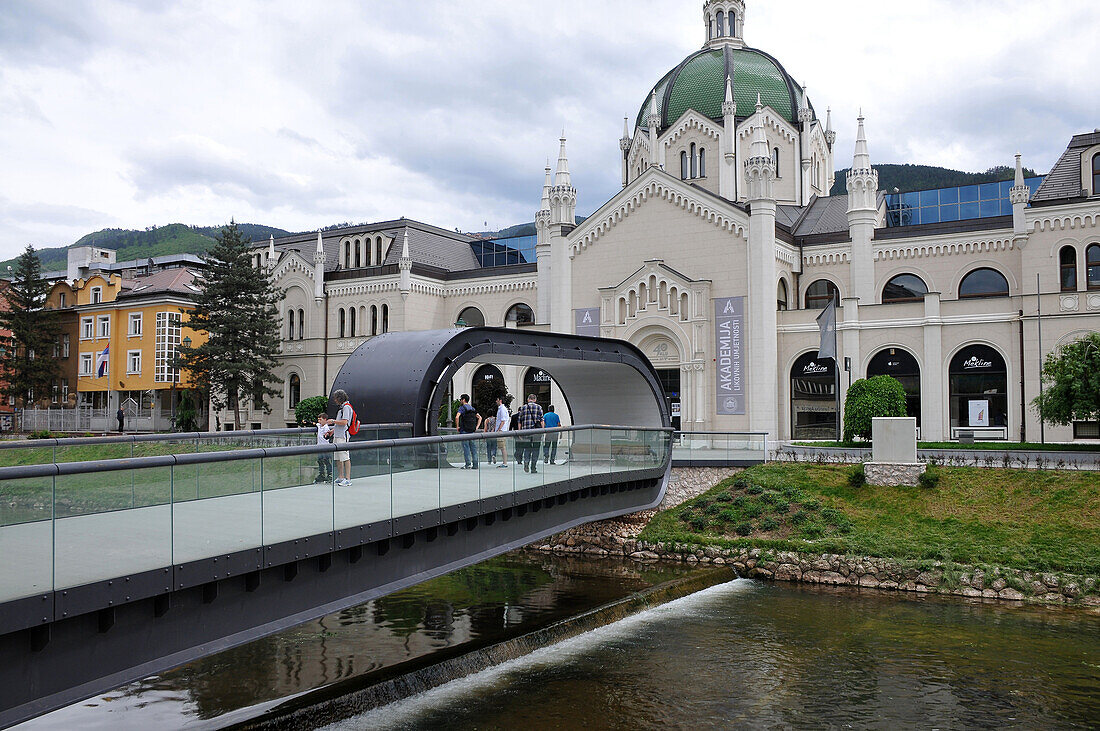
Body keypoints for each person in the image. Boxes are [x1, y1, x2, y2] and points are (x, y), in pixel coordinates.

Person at [516, 393, 544, 474]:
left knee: (527, 448)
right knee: (536, 449)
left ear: (528, 399)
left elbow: (519, 421)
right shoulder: (539, 407)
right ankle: (533, 467)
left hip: (526, 432)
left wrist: (520, 432)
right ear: (535, 400)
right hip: (536, 433)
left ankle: (526, 462)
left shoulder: (523, 408)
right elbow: (542, 420)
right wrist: (543, 431)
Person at [330, 389, 354, 487]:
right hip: (338, 435)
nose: (335, 400)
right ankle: (341, 476)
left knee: (345, 456)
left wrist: (333, 421)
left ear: (339, 398)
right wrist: (333, 431)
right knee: (338, 457)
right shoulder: (342, 407)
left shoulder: (346, 408)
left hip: (343, 436)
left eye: (336, 398)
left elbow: (344, 422)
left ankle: (348, 479)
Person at [454, 393, 482, 468]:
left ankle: (468, 464)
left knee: (466, 448)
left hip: (464, 431)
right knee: (473, 448)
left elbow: (457, 417)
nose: (460, 401)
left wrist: (457, 426)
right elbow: (480, 417)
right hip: (472, 431)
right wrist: (476, 427)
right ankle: (475, 464)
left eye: (460, 399)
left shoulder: (462, 408)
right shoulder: (472, 408)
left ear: (463, 400)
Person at [315, 412, 334, 483]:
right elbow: (314, 423)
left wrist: (327, 435)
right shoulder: (319, 425)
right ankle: (321, 474)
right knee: (320, 460)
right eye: (318, 420)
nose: (319, 421)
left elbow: (327, 436)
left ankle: (330, 474)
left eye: (320, 420)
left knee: (326, 460)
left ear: (325, 420)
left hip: (325, 447)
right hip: (319, 446)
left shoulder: (326, 427)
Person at [494, 395, 511, 468]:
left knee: (502, 447)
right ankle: (504, 462)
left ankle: (505, 463)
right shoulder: (501, 409)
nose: (496, 401)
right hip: (501, 430)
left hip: (501, 431)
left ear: (500, 400)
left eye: (497, 400)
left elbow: (503, 421)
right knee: (501, 447)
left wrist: (499, 429)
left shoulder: (502, 409)